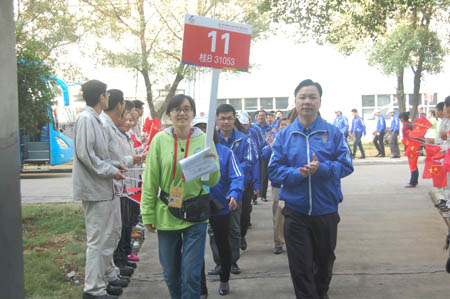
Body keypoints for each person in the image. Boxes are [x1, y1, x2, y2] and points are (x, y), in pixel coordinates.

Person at [268, 79, 353, 299]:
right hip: (296, 213)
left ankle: (321, 293)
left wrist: (321, 168)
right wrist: (298, 173)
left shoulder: (333, 133)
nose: (307, 101)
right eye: (302, 97)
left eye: (312, 97)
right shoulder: (284, 136)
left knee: (324, 265)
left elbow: (346, 165)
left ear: (320, 101)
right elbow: (274, 171)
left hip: (326, 211)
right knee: (300, 267)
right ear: (295, 101)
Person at [140, 95, 220, 299]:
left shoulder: (205, 138)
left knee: (191, 275)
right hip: (167, 212)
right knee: (171, 273)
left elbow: (211, 182)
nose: (182, 113)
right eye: (176, 109)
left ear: (193, 113)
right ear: (169, 115)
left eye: (186, 108)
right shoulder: (159, 140)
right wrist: (147, 214)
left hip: (196, 213)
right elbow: (150, 181)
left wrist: (211, 166)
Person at [73, 80, 127, 299]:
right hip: (95, 190)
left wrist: (115, 166)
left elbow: (102, 156)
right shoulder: (86, 120)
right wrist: (110, 170)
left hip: (105, 188)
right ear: (101, 97)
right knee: (98, 240)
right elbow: (87, 156)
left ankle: (104, 278)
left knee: (111, 233)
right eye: (106, 94)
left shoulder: (95, 120)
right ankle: (93, 289)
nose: (107, 98)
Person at [193, 116, 244, 297]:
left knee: (223, 243)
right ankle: (201, 288)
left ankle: (224, 278)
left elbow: (238, 176)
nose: (201, 134)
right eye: (197, 129)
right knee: (195, 248)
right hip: (194, 208)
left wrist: (234, 193)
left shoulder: (225, 152)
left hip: (220, 206)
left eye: (205, 129)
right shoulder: (189, 154)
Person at [214, 103, 255, 275]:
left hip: (236, 190)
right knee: (213, 231)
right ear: (217, 120)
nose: (226, 122)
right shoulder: (210, 140)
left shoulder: (244, 140)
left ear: (234, 119)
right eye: (222, 118)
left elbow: (249, 162)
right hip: (215, 192)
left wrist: (232, 167)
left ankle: (233, 261)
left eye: (229, 118)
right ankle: (220, 263)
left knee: (235, 228)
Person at [270, 118, 288, 255]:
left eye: (286, 125)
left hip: (293, 183)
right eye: (282, 124)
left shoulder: (295, 140)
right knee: (278, 214)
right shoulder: (275, 140)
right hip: (278, 184)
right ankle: (278, 242)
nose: (284, 127)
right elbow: (265, 156)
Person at [254, 110, 271, 202]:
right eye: (260, 116)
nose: (261, 117)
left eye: (263, 116)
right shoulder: (254, 127)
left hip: (265, 154)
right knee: (255, 174)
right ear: (257, 116)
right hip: (255, 153)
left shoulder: (269, 128)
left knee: (264, 175)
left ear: (266, 117)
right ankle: (254, 197)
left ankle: (263, 195)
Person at [400, 112, 419, 188]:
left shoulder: (405, 126)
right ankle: (415, 181)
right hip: (415, 146)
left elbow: (406, 138)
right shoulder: (411, 124)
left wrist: (405, 147)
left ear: (402, 118)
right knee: (414, 164)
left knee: (412, 165)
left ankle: (412, 182)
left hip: (410, 147)